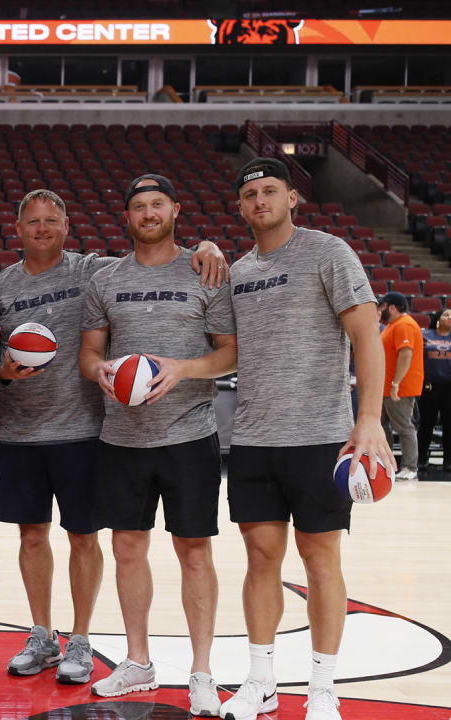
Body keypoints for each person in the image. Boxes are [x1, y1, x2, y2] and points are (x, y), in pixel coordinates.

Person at [0, 188, 230, 687]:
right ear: (17, 228)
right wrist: (0, 370)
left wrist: (209, 246)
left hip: (88, 430)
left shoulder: (93, 270)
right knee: (32, 537)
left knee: (84, 538)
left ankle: (82, 639)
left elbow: (155, 253)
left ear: (67, 226)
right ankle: (42, 633)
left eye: (52, 220)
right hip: (23, 432)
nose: (42, 229)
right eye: (33, 222)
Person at [221, 158, 393, 720]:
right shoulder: (239, 272)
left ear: (292, 198)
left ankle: (323, 687)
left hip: (321, 437)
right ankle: (262, 680)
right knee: (260, 558)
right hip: (253, 437)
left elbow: (368, 335)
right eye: (249, 194)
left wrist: (367, 418)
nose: (259, 201)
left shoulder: (328, 252)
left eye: (270, 191)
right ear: (241, 207)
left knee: (321, 559)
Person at [78, 174, 236, 717]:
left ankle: (201, 672)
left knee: (194, 552)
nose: (148, 213)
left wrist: (181, 370)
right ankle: (139, 663)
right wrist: (101, 370)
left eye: (157, 204)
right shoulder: (105, 279)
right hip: (121, 437)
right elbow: (88, 354)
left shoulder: (205, 269)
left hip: (188, 433)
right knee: (127, 549)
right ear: (127, 216)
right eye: (138, 206)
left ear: (175, 209)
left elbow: (229, 355)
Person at [378, 291, 424, 481]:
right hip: (387, 386)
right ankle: (386, 462)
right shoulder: (392, 325)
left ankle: (410, 467)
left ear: (392, 307)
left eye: (382, 306)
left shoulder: (404, 325)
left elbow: (406, 355)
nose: (380, 310)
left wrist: (396, 383)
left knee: (404, 427)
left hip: (399, 388)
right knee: (382, 425)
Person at [417, 307, 451, 471]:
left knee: (449, 425)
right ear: (438, 319)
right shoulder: (425, 335)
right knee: (426, 423)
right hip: (429, 385)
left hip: (449, 386)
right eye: (446, 314)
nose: (450, 317)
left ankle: (449, 461)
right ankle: (421, 459)